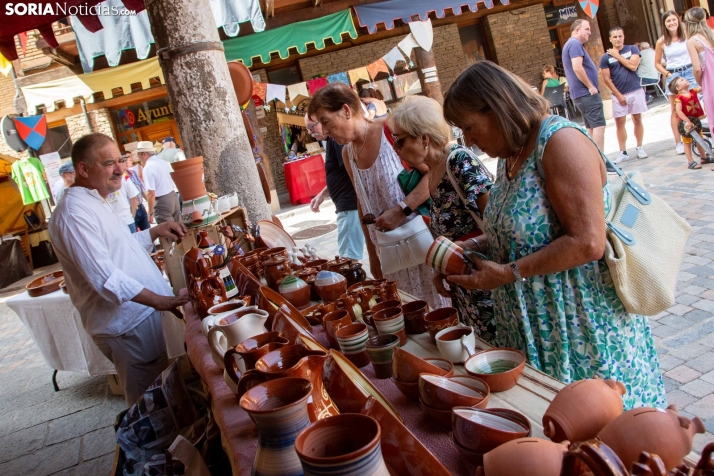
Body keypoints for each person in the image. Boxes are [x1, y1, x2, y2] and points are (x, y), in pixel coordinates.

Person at [442, 61, 666, 410]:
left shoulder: (559, 142)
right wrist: (471, 246)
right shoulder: (510, 153)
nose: (468, 141)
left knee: (598, 427)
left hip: (579, 325)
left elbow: (587, 242)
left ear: (498, 108)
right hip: (537, 323)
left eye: (470, 127)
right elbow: (522, 228)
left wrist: (508, 273)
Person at [48, 133, 190, 406]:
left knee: (163, 397)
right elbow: (105, 277)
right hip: (126, 325)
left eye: (120, 160)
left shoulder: (95, 201)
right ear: (83, 169)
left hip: (139, 317)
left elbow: (120, 249)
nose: (120, 169)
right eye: (109, 163)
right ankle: (149, 449)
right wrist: (161, 300)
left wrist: (154, 232)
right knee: (148, 407)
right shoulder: (74, 213)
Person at [307, 83, 449, 311]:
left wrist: (401, 209)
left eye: (326, 121)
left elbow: (432, 173)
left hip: (421, 241)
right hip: (389, 252)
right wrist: (373, 255)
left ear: (345, 110)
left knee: (440, 309)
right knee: (409, 311)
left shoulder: (390, 131)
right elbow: (362, 203)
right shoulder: (347, 153)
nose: (324, 131)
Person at [388, 96, 496, 342]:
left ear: (424, 138)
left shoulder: (459, 161)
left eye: (399, 140)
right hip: (465, 285)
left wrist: (457, 253)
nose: (396, 148)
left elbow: (498, 226)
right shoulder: (434, 170)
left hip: (487, 284)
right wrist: (441, 268)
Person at [305, 113, 365, 260]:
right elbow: (341, 172)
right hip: (348, 204)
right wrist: (323, 194)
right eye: (307, 129)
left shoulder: (337, 140)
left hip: (349, 205)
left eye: (312, 127)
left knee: (348, 259)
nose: (310, 132)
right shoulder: (333, 141)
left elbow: (351, 170)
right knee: (349, 255)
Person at [600, 26, 649, 163]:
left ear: (624, 36)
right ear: (610, 39)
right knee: (619, 123)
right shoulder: (605, 57)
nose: (618, 39)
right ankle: (623, 151)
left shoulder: (632, 49)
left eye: (620, 36)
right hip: (619, 94)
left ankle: (640, 147)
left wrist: (617, 56)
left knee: (637, 119)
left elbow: (633, 66)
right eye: (614, 37)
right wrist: (618, 95)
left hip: (635, 90)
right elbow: (606, 79)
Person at [656, 10, 698, 155]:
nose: (672, 23)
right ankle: (678, 142)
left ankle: (698, 137)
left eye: (674, 20)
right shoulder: (662, 41)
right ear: (664, 24)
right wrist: (667, 73)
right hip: (674, 75)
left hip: (689, 72)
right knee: (675, 111)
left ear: (678, 20)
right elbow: (657, 63)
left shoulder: (687, 36)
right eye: (668, 21)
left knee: (695, 105)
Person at [562, 19, 606, 151]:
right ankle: (600, 160)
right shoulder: (574, 44)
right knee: (599, 126)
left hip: (581, 94)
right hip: (586, 93)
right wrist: (590, 86)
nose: (589, 32)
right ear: (577, 30)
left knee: (591, 128)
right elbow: (577, 67)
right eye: (587, 29)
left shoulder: (570, 44)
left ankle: (593, 159)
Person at [136, 141, 181, 224]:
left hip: (162, 202)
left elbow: (151, 193)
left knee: (169, 233)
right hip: (173, 196)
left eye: (138, 155)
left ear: (144, 154)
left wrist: (150, 213)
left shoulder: (148, 167)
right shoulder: (162, 162)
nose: (138, 158)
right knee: (180, 229)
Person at [669, 75, 708, 169]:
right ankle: (690, 161)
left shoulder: (693, 92)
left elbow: (703, 87)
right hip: (686, 124)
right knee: (687, 142)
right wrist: (687, 121)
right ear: (678, 88)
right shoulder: (679, 98)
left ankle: (704, 157)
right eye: (682, 80)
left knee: (699, 139)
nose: (685, 79)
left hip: (695, 121)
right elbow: (678, 111)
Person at [685, 7, 714, 118]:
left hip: (710, 79)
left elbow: (697, 68)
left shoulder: (693, 41)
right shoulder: (712, 33)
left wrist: (699, 81)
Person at [106, 155, 141, 233]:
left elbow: (134, 197)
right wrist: (132, 216)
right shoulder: (123, 176)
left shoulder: (98, 180)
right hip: (126, 220)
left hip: (113, 223)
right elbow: (134, 198)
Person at [123, 151, 151, 232]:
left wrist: (150, 206)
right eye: (123, 161)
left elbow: (142, 190)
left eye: (126, 160)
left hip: (141, 208)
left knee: (148, 234)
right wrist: (132, 215)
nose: (125, 162)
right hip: (130, 210)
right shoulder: (120, 178)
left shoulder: (133, 173)